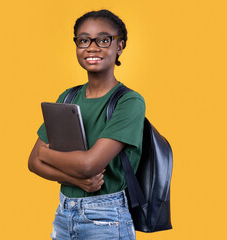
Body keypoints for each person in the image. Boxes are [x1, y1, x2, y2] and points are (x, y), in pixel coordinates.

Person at [28, 9, 145, 240]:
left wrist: (46, 153)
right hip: (64, 213)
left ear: (119, 46)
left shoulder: (129, 102)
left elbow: (89, 165)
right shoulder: (68, 97)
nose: (91, 47)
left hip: (106, 217)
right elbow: (33, 162)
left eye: (103, 40)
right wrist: (76, 180)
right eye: (83, 40)